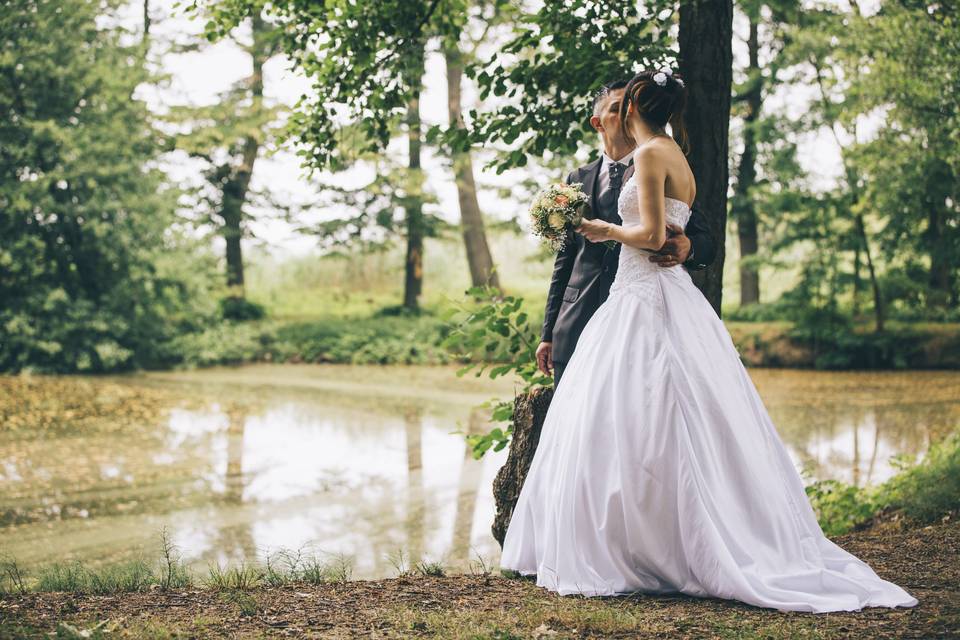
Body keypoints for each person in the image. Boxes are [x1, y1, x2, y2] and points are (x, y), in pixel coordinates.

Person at [499, 68, 918, 613]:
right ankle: (657, 533)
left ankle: (651, 542)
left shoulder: (650, 156)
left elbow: (653, 236)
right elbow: (666, 226)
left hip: (640, 294)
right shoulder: (675, 155)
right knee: (653, 415)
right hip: (655, 296)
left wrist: (605, 231)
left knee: (647, 411)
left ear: (630, 111)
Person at [535, 78, 715, 387]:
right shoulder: (577, 178)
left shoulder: (660, 160)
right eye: (614, 110)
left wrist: (689, 247)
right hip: (579, 319)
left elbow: (700, 236)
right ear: (598, 122)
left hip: (644, 315)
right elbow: (565, 259)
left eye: (625, 108)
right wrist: (548, 332)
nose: (622, 116)